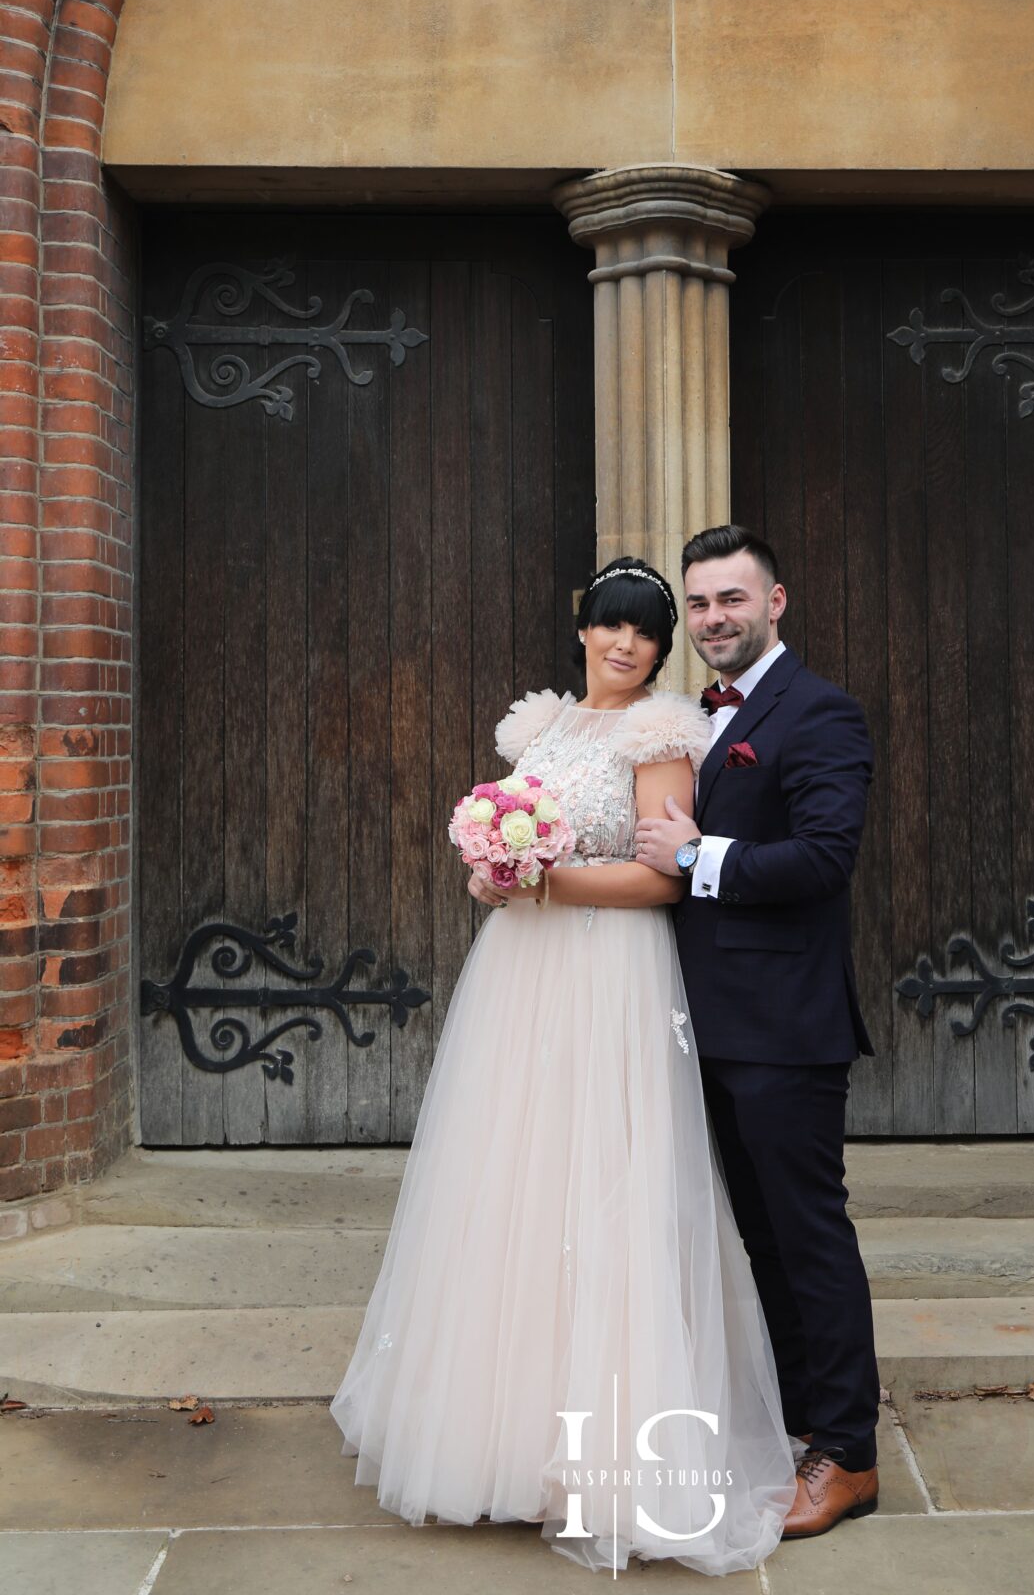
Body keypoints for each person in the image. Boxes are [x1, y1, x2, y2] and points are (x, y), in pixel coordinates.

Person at [330, 555, 797, 1576]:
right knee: (513, 1181)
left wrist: (547, 886)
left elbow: (661, 877)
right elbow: (508, 842)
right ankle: (499, 1438)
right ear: (580, 627)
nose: (626, 645)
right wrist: (496, 876)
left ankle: (609, 1465)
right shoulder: (537, 730)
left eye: (645, 632)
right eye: (610, 626)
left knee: (602, 1180)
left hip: (609, 977)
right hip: (520, 979)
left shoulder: (660, 734)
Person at [635, 524, 881, 1538]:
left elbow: (823, 859)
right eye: (698, 604)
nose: (712, 620)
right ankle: (800, 1424)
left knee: (808, 1236)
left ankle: (851, 1457)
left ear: (773, 602)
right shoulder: (694, 716)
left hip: (785, 1028)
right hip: (708, 1023)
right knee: (762, 1243)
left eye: (730, 600)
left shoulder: (817, 711)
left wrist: (702, 858)